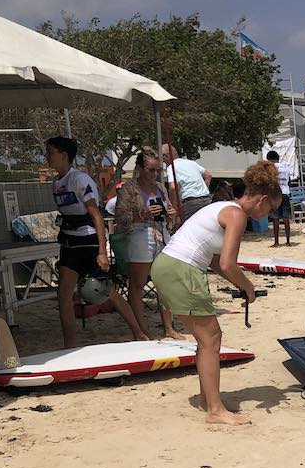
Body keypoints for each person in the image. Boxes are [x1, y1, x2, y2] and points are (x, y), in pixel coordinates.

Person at [150, 161, 280, 425]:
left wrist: (239, 284)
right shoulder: (237, 215)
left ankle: (207, 399)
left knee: (205, 339)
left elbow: (213, 262)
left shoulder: (221, 207)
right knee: (211, 339)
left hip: (168, 265)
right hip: (180, 269)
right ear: (262, 199)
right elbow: (227, 264)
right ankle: (215, 411)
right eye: (272, 209)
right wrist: (248, 287)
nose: (271, 214)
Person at [45, 136, 147, 348]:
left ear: (63, 155)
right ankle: (70, 345)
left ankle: (138, 332)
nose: (47, 156)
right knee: (64, 293)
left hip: (88, 243)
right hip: (69, 244)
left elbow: (97, 217)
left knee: (103, 290)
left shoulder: (80, 180)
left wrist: (102, 252)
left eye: (51, 152)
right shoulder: (56, 183)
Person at [113, 147, 183, 341]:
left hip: (160, 233)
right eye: (151, 170)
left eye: (157, 170)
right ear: (140, 169)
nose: (155, 174)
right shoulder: (129, 189)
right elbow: (120, 216)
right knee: (137, 284)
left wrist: (170, 213)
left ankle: (168, 327)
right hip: (139, 235)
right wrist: (143, 214)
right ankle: (141, 330)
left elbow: (169, 209)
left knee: (164, 282)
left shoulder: (159, 187)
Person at [161, 144, 212, 222]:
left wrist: (172, 206)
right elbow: (208, 175)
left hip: (190, 204)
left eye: (162, 158)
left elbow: (172, 187)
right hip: (207, 200)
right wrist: (203, 190)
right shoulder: (191, 163)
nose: (163, 162)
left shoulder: (171, 167)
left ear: (167, 156)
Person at [266, 150, 292, 247]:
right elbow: (289, 182)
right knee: (286, 219)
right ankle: (288, 241)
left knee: (275, 218)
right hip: (285, 193)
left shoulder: (270, 168)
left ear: (270, 159)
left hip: (275, 194)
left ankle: (277, 242)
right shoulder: (286, 167)